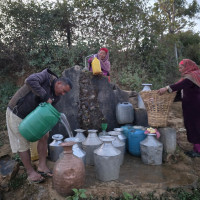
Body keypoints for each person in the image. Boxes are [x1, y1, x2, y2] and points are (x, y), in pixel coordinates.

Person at [6, 68, 72, 183]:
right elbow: (29, 80)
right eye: (64, 90)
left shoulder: (57, 96)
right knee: (22, 143)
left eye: (65, 93)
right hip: (17, 112)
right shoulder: (45, 76)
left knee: (44, 135)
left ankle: (42, 166)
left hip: (34, 116)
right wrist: (46, 97)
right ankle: (30, 172)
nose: (63, 94)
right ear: (59, 83)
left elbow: (49, 110)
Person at [158, 59, 200, 158]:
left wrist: (166, 88)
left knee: (195, 127)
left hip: (195, 107)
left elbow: (180, 85)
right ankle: (196, 148)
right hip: (190, 106)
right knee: (192, 126)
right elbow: (182, 91)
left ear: (187, 66)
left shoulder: (192, 76)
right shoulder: (192, 76)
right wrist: (169, 99)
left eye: (181, 68)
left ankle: (198, 151)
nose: (180, 70)